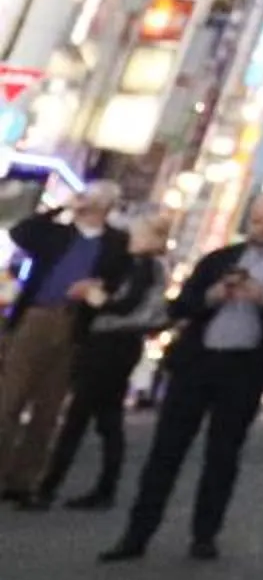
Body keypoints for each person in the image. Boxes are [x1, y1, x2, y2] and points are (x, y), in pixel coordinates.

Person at [102, 190, 263, 563]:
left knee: (223, 453)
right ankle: (137, 533)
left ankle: (204, 534)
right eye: (258, 220)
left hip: (246, 368)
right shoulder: (220, 259)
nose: (262, 228)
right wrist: (214, 294)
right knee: (165, 450)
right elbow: (182, 304)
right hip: (197, 363)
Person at [1, 181, 131, 506]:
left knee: (49, 407)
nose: (83, 202)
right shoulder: (57, 233)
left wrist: (97, 289)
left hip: (76, 324)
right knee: (9, 399)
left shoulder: (116, 243)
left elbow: (120, 280)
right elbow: (20, 232)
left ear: (105, 205)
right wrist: (59, 208)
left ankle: (24, 480)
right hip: (37, 316)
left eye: (89, 197)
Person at [35, 211, 172, 511]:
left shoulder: (145, 266)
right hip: (121, 345)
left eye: (134, 233)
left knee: (79, 417)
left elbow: (125, 304)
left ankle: (48, 487)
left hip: (111, 344)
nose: (128, 239)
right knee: (107, 419)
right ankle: (104, 487)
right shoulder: (151, 266)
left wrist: (95, 296)